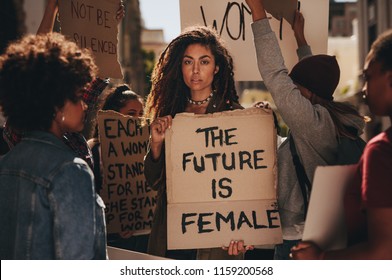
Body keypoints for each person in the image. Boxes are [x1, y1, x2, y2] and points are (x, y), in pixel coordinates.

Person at [245, 0, 366, 259]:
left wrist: (257, 12)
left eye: (295, 89)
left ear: (308, 95)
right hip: (319, 234)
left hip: (299, 240)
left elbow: (275, 75)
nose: (291, 93)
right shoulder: (329, 120)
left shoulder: (313, 123)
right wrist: (300, 40)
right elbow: (314, 82)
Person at [144, 25, 253, 260]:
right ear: (179, 67)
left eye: (204, 62)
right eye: (187, 62)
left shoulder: (235, 115)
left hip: (217, 239)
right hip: (171, 237)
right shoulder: (168, 114)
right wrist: (156, 145)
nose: (195, 70)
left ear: (216, 68)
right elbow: (154, 181)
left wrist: (246, 232)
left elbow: (249, 184)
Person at [0, 32, 107, 259]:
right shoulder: (70, 171)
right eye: (78, 97)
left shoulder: (5, 164)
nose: (85, 106)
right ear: (56, 106)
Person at [291, 30, 392, 260]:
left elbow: (383, 252)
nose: (363, 89)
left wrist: (320, 259)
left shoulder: (382, 151)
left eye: (367, 77)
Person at [87, 84, 149, 253]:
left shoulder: (150, 147)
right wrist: (117, 223)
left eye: (141, 115)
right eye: (131, 114)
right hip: (110, 240)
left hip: (143, 239)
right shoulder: (92, 150)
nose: (137, 119)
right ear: (113, 115)